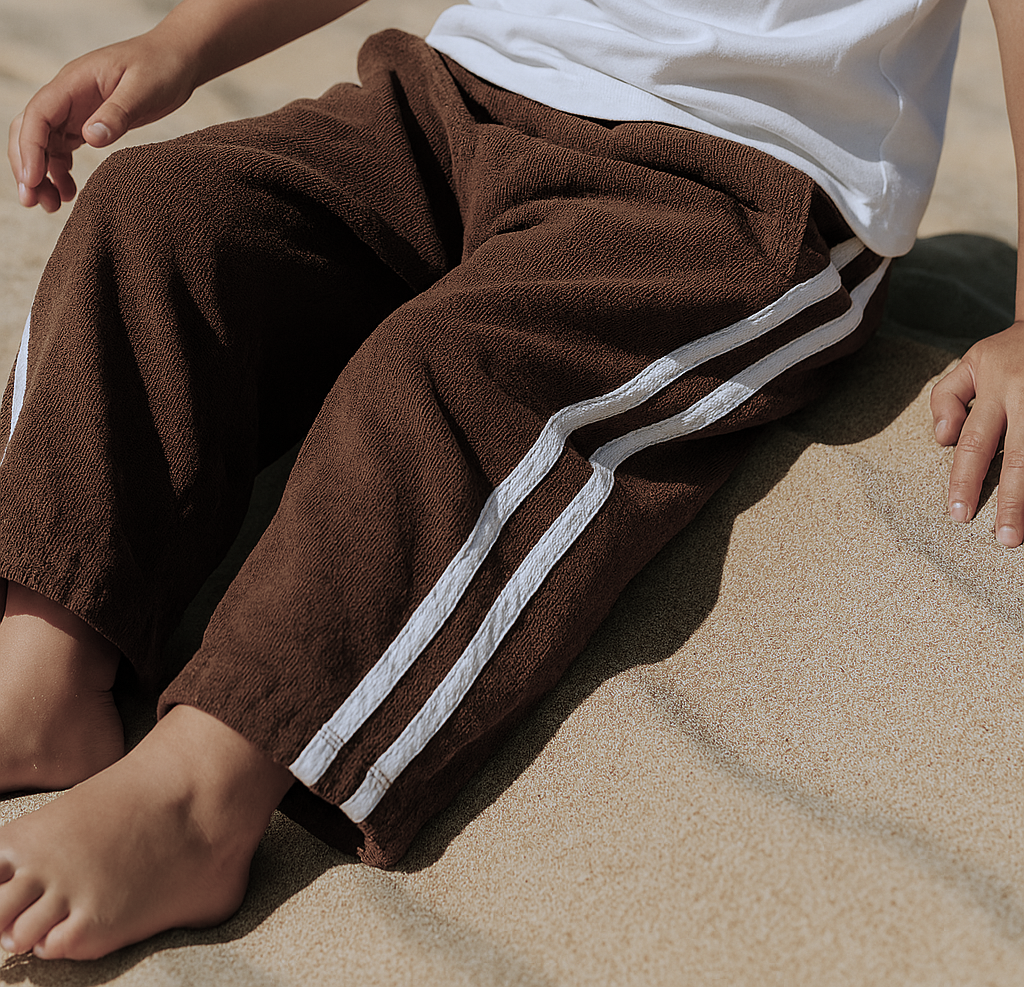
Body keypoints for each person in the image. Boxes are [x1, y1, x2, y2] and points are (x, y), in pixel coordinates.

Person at [0, 0, 1018, 963]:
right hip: (466, 90)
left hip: (738, 179)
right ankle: (44, 667)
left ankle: (200, 792)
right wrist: (185, 44)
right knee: (162, 210)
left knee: (449, 374)